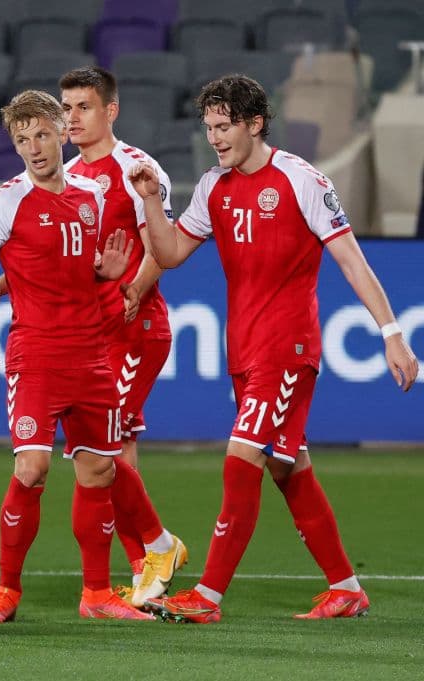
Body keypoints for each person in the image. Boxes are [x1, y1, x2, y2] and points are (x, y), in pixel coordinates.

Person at [132, 74, 419, 622]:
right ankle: (346, 588)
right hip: (243, 350)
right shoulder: (213, 187)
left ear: (254, 123)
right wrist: (151, 203)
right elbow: (168, 253)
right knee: (289, 468)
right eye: (209, 127)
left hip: (286, 348)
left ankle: (208, 597)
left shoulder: (301, 180)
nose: (214, 138)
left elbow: (352, 260)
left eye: (224, 126)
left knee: (241, 460)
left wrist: (392, 334)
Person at [0, 67, 188, 608]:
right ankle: (145, 561)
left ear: (109, 111)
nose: (71, 117)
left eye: (82, 107)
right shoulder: (69, 178)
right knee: (102, 457)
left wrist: (132, 288)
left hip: (132, 327)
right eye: (65, 108)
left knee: (110, 455)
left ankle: (149, 559)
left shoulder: (136, 168)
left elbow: (159, 246)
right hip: (86, 333)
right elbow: (57, 254)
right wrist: (2, 282)